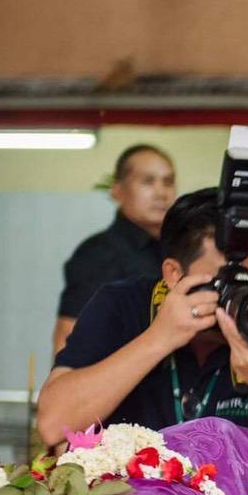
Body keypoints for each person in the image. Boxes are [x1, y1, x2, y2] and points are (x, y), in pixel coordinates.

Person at [36, 188, 248, 447]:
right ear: (173, 274)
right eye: (227, 280)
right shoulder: (122, 304)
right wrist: (157, 340)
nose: (241, 295)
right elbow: (53, 426)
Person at [52, 144, 176, 355]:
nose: (161, 192)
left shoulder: (175, 251)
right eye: (148, 181)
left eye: (168, 182)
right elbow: (67, 339)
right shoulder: (99, 253)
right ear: (118, 190)